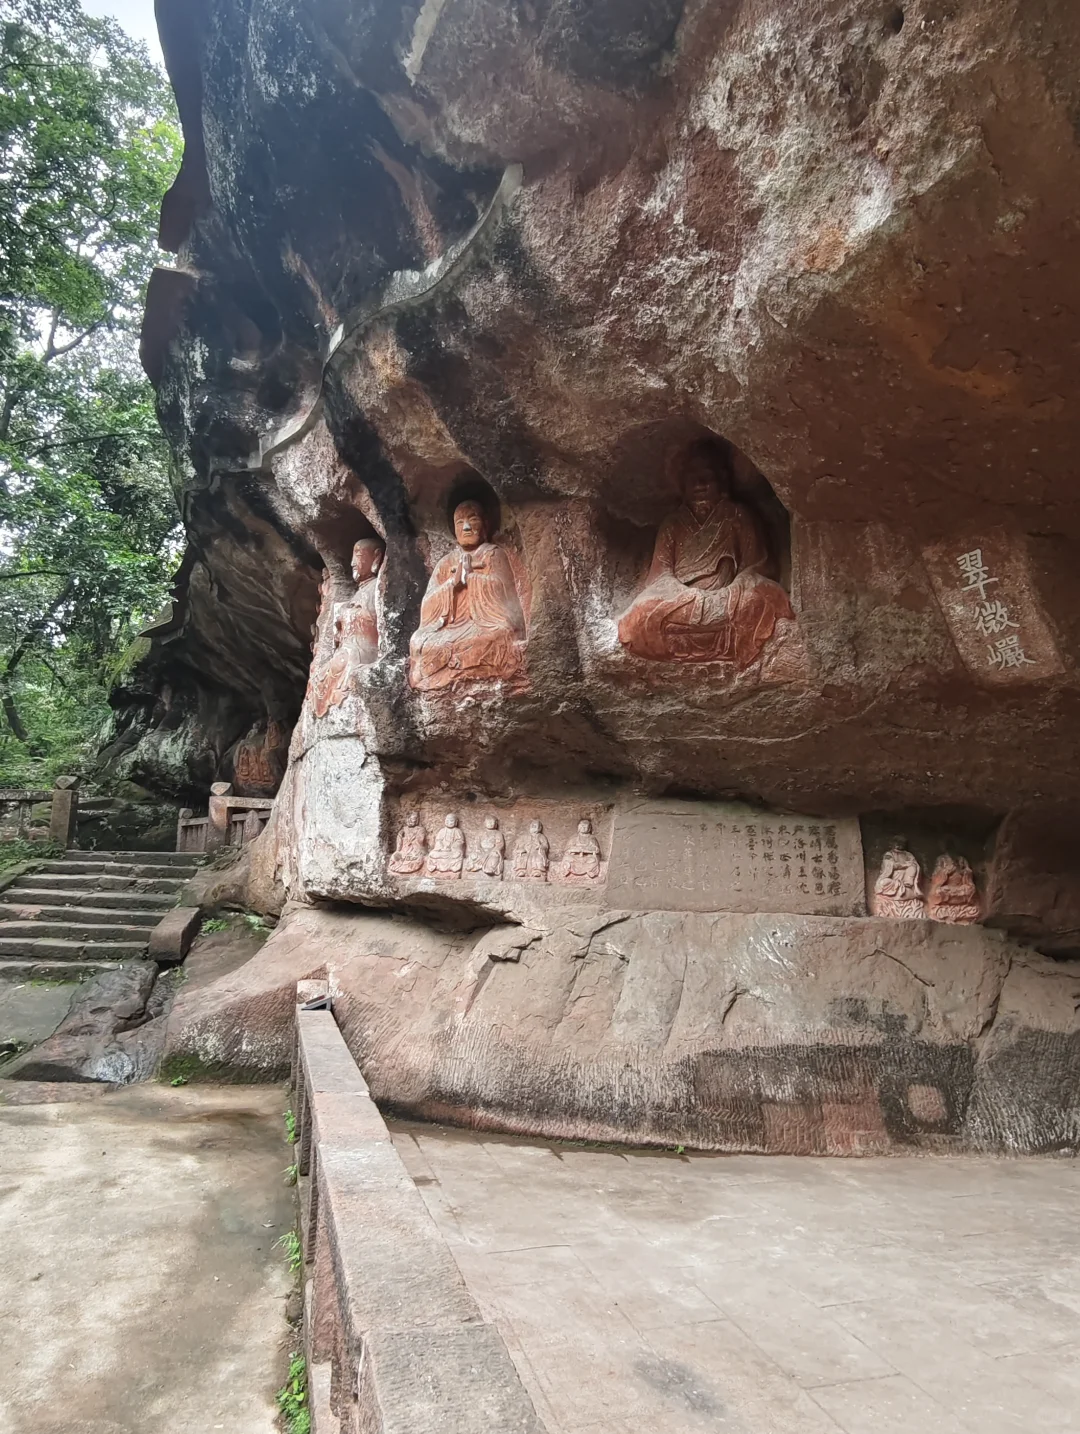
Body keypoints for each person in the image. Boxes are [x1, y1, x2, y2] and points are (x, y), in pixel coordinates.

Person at [618, 439, 793, 667]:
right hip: (681, 598)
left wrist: (734, 587)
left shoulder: (737, 515)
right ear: (683, 484)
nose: (700, 483)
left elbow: (758, 564)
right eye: (693, 478)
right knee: (638, 616)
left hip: (729, 596)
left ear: (722, 481)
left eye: (707, 476)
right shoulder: (673, 524)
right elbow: (660, 576)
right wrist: (682, 593)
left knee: (760, 598)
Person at [409, 500, 526, 692]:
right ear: (454, 529)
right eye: (459, 522)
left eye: (473, 520)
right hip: (450, 627)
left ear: (485, 525)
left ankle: (457, 671)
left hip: (482, 624)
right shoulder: (446, 562)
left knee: (500, 635)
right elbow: (427, 606)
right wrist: (451, 585)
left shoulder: (492, 554)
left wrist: (472, 578)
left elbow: (504, 592)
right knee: (420, 643)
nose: (466, 527)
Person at [313, 537, 384, 718]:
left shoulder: (377, 587)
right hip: (347, 649)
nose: (352, 563)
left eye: (358, 556)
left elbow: (375, 621)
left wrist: (352, 615)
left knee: (345, 661)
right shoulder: (358, 593)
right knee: (321, 674)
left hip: (361, 649)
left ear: (376, 557)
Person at [872, 842, 926, 919]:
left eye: (902, 843)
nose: (899, 845)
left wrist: (910, 866)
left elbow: (915, 864)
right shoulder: (889, 854)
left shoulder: (908, 855)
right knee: (883, 883)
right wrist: (904, 865)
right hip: (893, 882)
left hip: (906, 884)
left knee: (913, 867)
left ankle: (907, 885)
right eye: (897, 843)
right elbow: (890, 864)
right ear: (893, 844)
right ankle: (899, 889)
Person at [928, 855, 980, 924]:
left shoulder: (961, 860)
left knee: (973, 905)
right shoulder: (942, 859)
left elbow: (969, 883)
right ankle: (948, 913)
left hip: (960, 892)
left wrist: (964, 872)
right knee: (939, 892)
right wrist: (946, 872)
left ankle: (959, 913)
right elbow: (936, 881)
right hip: (947, 891)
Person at [426, 813, 466, 879]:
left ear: (456, 822)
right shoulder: (442, 831)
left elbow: (460, 841)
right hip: (442, 850)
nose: (449, 822)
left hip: (452, 851)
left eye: (451, 820)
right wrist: (442, 847)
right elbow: (438, 840)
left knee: (458, 854)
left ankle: (453, 869)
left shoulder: (458, 831)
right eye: (447, 820)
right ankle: (435, 869)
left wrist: (452, 847)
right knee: (432, 854)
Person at [388, 811, 427, 877]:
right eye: (409, 818)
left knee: (415, 858)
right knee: (395, 857)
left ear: (417, 820)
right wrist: (400, 837)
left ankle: (413, 870)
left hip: (415, 850)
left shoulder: (420, 829)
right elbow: (399, 842)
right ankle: (398, 868)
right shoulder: (404, 829)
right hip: (405, 850)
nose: (411, 821)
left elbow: (421, 841)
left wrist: (413, 839)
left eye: (413, 819)